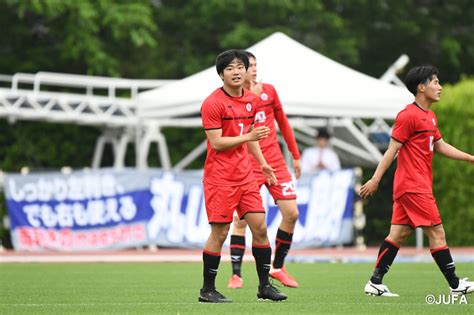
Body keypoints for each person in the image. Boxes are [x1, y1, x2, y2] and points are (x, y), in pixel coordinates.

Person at [360, 65, 474, 297]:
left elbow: (440, 146)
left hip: (412, 186)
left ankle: (375, 282)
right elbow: (391, 151)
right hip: (413, 186)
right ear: (421, 87)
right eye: (435, 82)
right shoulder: (408, 115)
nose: (440, 87)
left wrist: (470, 158)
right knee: (437, 232)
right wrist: (375, 179)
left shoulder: (430, 116)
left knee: (398, 235)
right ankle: (455, 285)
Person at [199, 49, 287, 303]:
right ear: (221, 75)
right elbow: (216, 143)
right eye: (230, 68)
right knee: (220, 232)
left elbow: (249, 135)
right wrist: (249, 137)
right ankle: (207, 289)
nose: (236, 72)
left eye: (240, 67)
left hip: (246, 176)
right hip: (220, 178)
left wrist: (263, 164)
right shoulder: (213, 103)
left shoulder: (251, 100)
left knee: (259, 226)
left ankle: (264, 286)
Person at [227, 51, 301, 289]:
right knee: (241, 220)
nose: (254, 69)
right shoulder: (236, 96)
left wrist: (295, 155)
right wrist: (254, 98)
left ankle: (278, 267)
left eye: (256, 65)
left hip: (275, 162)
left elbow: (283, 122)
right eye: (250, 65)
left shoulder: (269, 90)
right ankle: (236, 275)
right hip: (248, 164)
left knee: (291, 213)